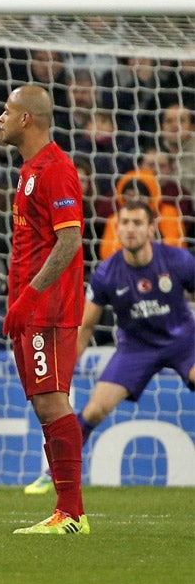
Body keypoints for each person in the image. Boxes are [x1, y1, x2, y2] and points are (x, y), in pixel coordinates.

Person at [24, 202, 195, 496]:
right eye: (125, 223)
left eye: (137, 223)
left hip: (183, 340)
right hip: (136, 348)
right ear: (117, 229)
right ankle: (55, 471)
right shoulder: (107, 273)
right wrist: (64, 373)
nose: (130, 229)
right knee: (95, 409)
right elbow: (86, 326)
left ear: (151, 229)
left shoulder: (179, 261)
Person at [0, 84, 90, 535]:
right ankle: (67, 511)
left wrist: (30, 298)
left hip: (48, 310)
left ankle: (71, 514)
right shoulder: (29, 170)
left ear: (27, 119)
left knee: (52, 402)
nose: (1, 117)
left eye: (8, 110)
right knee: (44, 404)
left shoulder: (54, 170)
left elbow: (70, 240)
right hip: (32, 309)